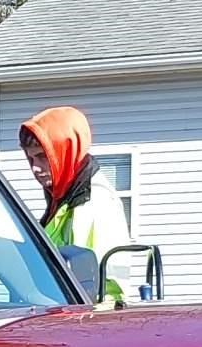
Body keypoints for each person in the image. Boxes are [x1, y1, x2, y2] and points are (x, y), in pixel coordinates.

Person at [18, 105, 131, 302]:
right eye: (29, 158)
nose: (35, 168)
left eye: (43, 157)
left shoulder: (93, 202)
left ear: (66, 151)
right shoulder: (62, 200)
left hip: (87, 323)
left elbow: (101, 288)